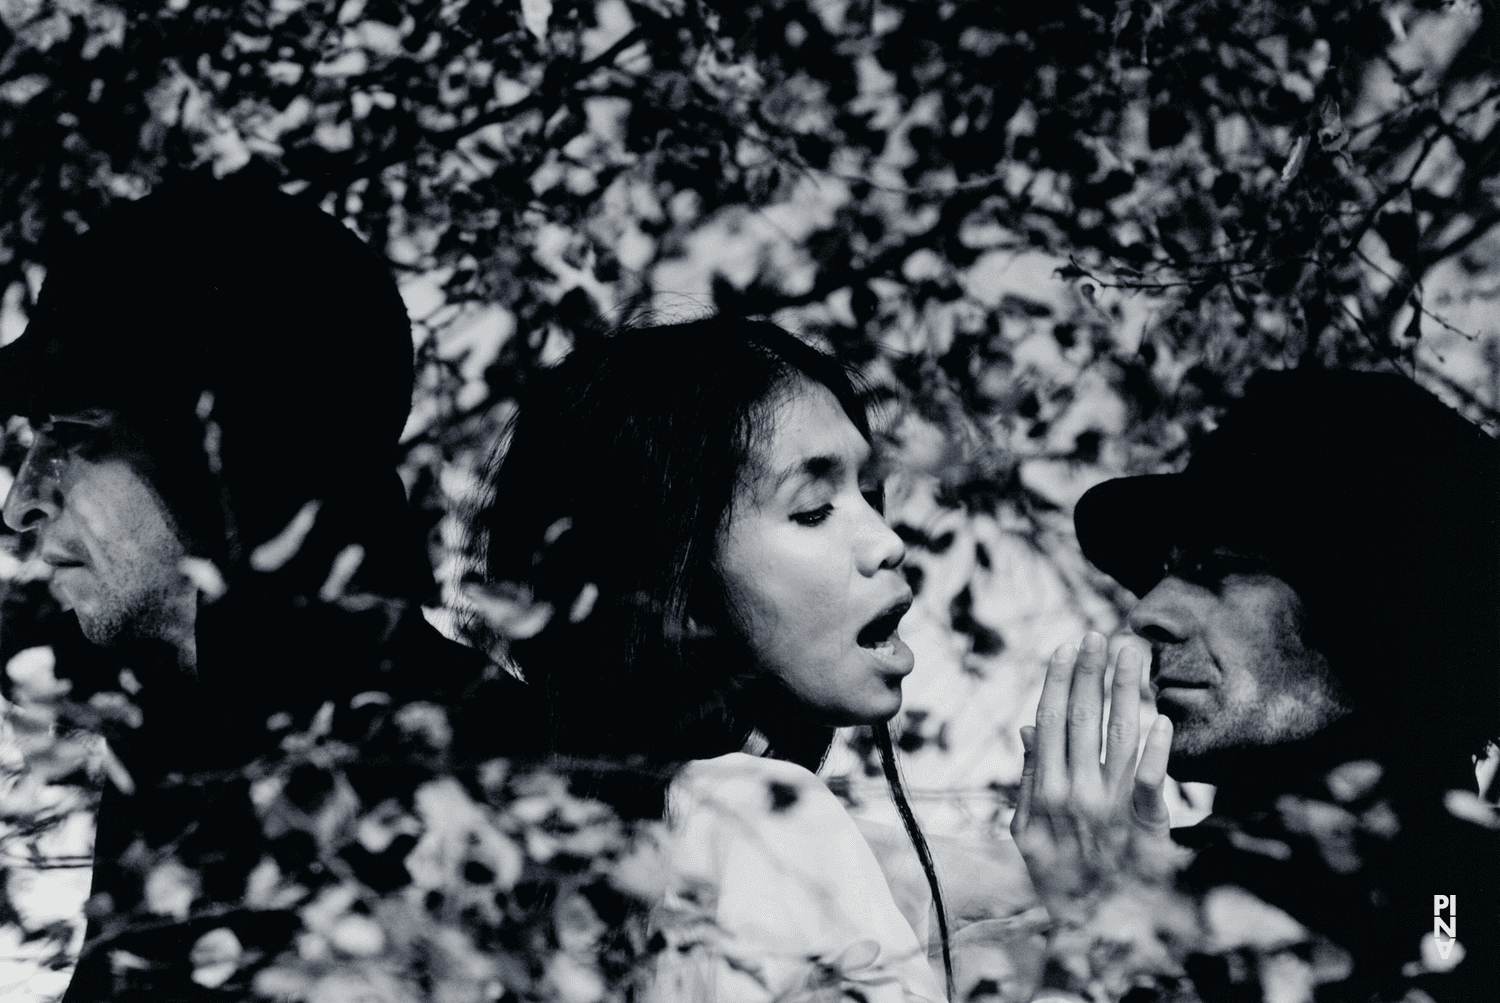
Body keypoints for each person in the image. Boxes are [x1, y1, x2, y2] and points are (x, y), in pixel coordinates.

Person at [0, 173, 540, 1001]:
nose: (21, 503)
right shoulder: (181, 754)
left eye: (73, 432)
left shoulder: (487, 792)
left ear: (228, 448)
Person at [469, 317, 972, 1002]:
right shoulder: (759, 818)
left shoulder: (557, 872)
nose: (887, 541)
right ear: (676, 584)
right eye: (814, 508)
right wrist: (1086, 924)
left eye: (870, 494)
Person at [1010, 368, 1500, 1001]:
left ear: (1383, 608)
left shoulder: (1465, 911)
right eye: (1165, 571)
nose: (1148, 611)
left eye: (1217, 569)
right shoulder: (1037, 911)